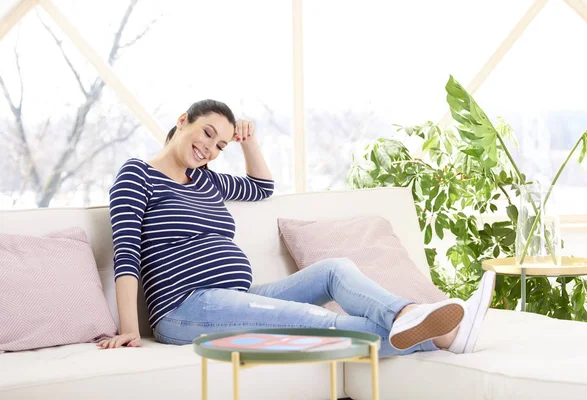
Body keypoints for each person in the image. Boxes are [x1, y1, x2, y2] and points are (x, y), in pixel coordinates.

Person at [98, 99, 496, 357]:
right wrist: (129, 331)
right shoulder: (138, 176)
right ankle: (442, 335)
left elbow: (262, 187)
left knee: (335, 269)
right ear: (182, 120)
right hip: (186, 308)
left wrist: (247, 143)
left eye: (221, 145)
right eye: (206, 133)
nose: (210, 149)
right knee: (317, 320)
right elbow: (127, 255)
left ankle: (409, 313)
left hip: (237, 294)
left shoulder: (205, 179)